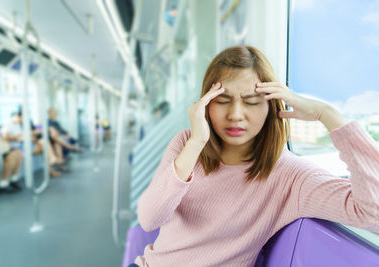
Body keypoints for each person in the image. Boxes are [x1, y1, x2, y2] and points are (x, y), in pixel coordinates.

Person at [134, 46, 379, 267]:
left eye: (251, 102)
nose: (236, 114)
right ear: (205, 105)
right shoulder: (186, 143)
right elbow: (149, 218)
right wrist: (197, 143)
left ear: (271, 107)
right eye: (222, 100)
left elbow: (372, 212)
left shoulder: (289, 175)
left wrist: (328, 114)